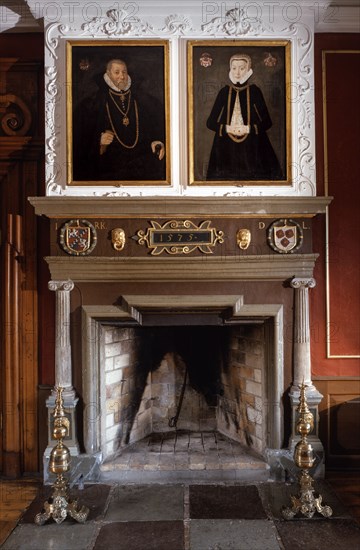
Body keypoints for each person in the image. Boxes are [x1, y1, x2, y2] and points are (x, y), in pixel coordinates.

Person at [74, 58, 165, 182]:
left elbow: (153, 125)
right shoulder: (94, 102)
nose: (122, 76)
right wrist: (99, 142)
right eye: (117, 72)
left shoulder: (142, 99)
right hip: (109, 165)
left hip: (140, 162)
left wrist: (157, 140)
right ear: (108, 74)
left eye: (124, 72)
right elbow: (81, 137)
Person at [206, 53, 282, 181]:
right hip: (225, 146)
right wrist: (227, 128)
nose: (237, 73)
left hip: (252, 146)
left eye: (241, 68)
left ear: (248, 70)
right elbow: (210, 122)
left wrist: (248, 129)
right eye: (234, 68)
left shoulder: (255, 91)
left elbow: (267, 122)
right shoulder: (224, 92)